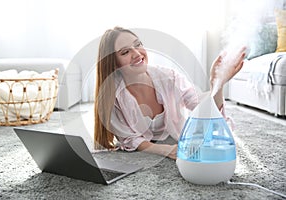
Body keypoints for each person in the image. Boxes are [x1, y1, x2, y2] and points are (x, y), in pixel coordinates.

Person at [94, 26, 246, 160]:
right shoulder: (111, 96)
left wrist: (217, 84)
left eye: (138, 44)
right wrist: (165, 150)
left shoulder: (169, 77)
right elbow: (129, 138)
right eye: (126, 52)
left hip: (174, 136)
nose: (137, 53)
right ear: (114, 63)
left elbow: (201, 108)